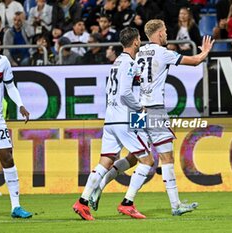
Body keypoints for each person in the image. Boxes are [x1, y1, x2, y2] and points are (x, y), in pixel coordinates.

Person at [89, 19, 214, 217]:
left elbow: (134, 78)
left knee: (133, 157)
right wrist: (205, 51)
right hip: (154, 111)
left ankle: (99, 187)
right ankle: (172, 205)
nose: (166, 34)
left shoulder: (139, 54)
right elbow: (195, 61)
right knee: (166, 158)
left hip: (138, 110)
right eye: (164, 31)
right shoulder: (163, 53)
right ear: (158, 34)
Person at [72, 27, 154, 221]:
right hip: (124, 119)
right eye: (139, 39)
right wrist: (140, 108)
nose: (140, 41)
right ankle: (128, 203)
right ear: (135, 42)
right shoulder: (130, 63)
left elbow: (112, 91)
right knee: (147, 160)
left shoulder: (117, 62)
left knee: (105, 162)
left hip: (110, 119)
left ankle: (82, 202)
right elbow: (126, 93)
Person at [0, 30, 31, 218]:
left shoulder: (2, 62)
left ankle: (16, 207)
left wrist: (20, 105)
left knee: (8, 158)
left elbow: (10, 86)